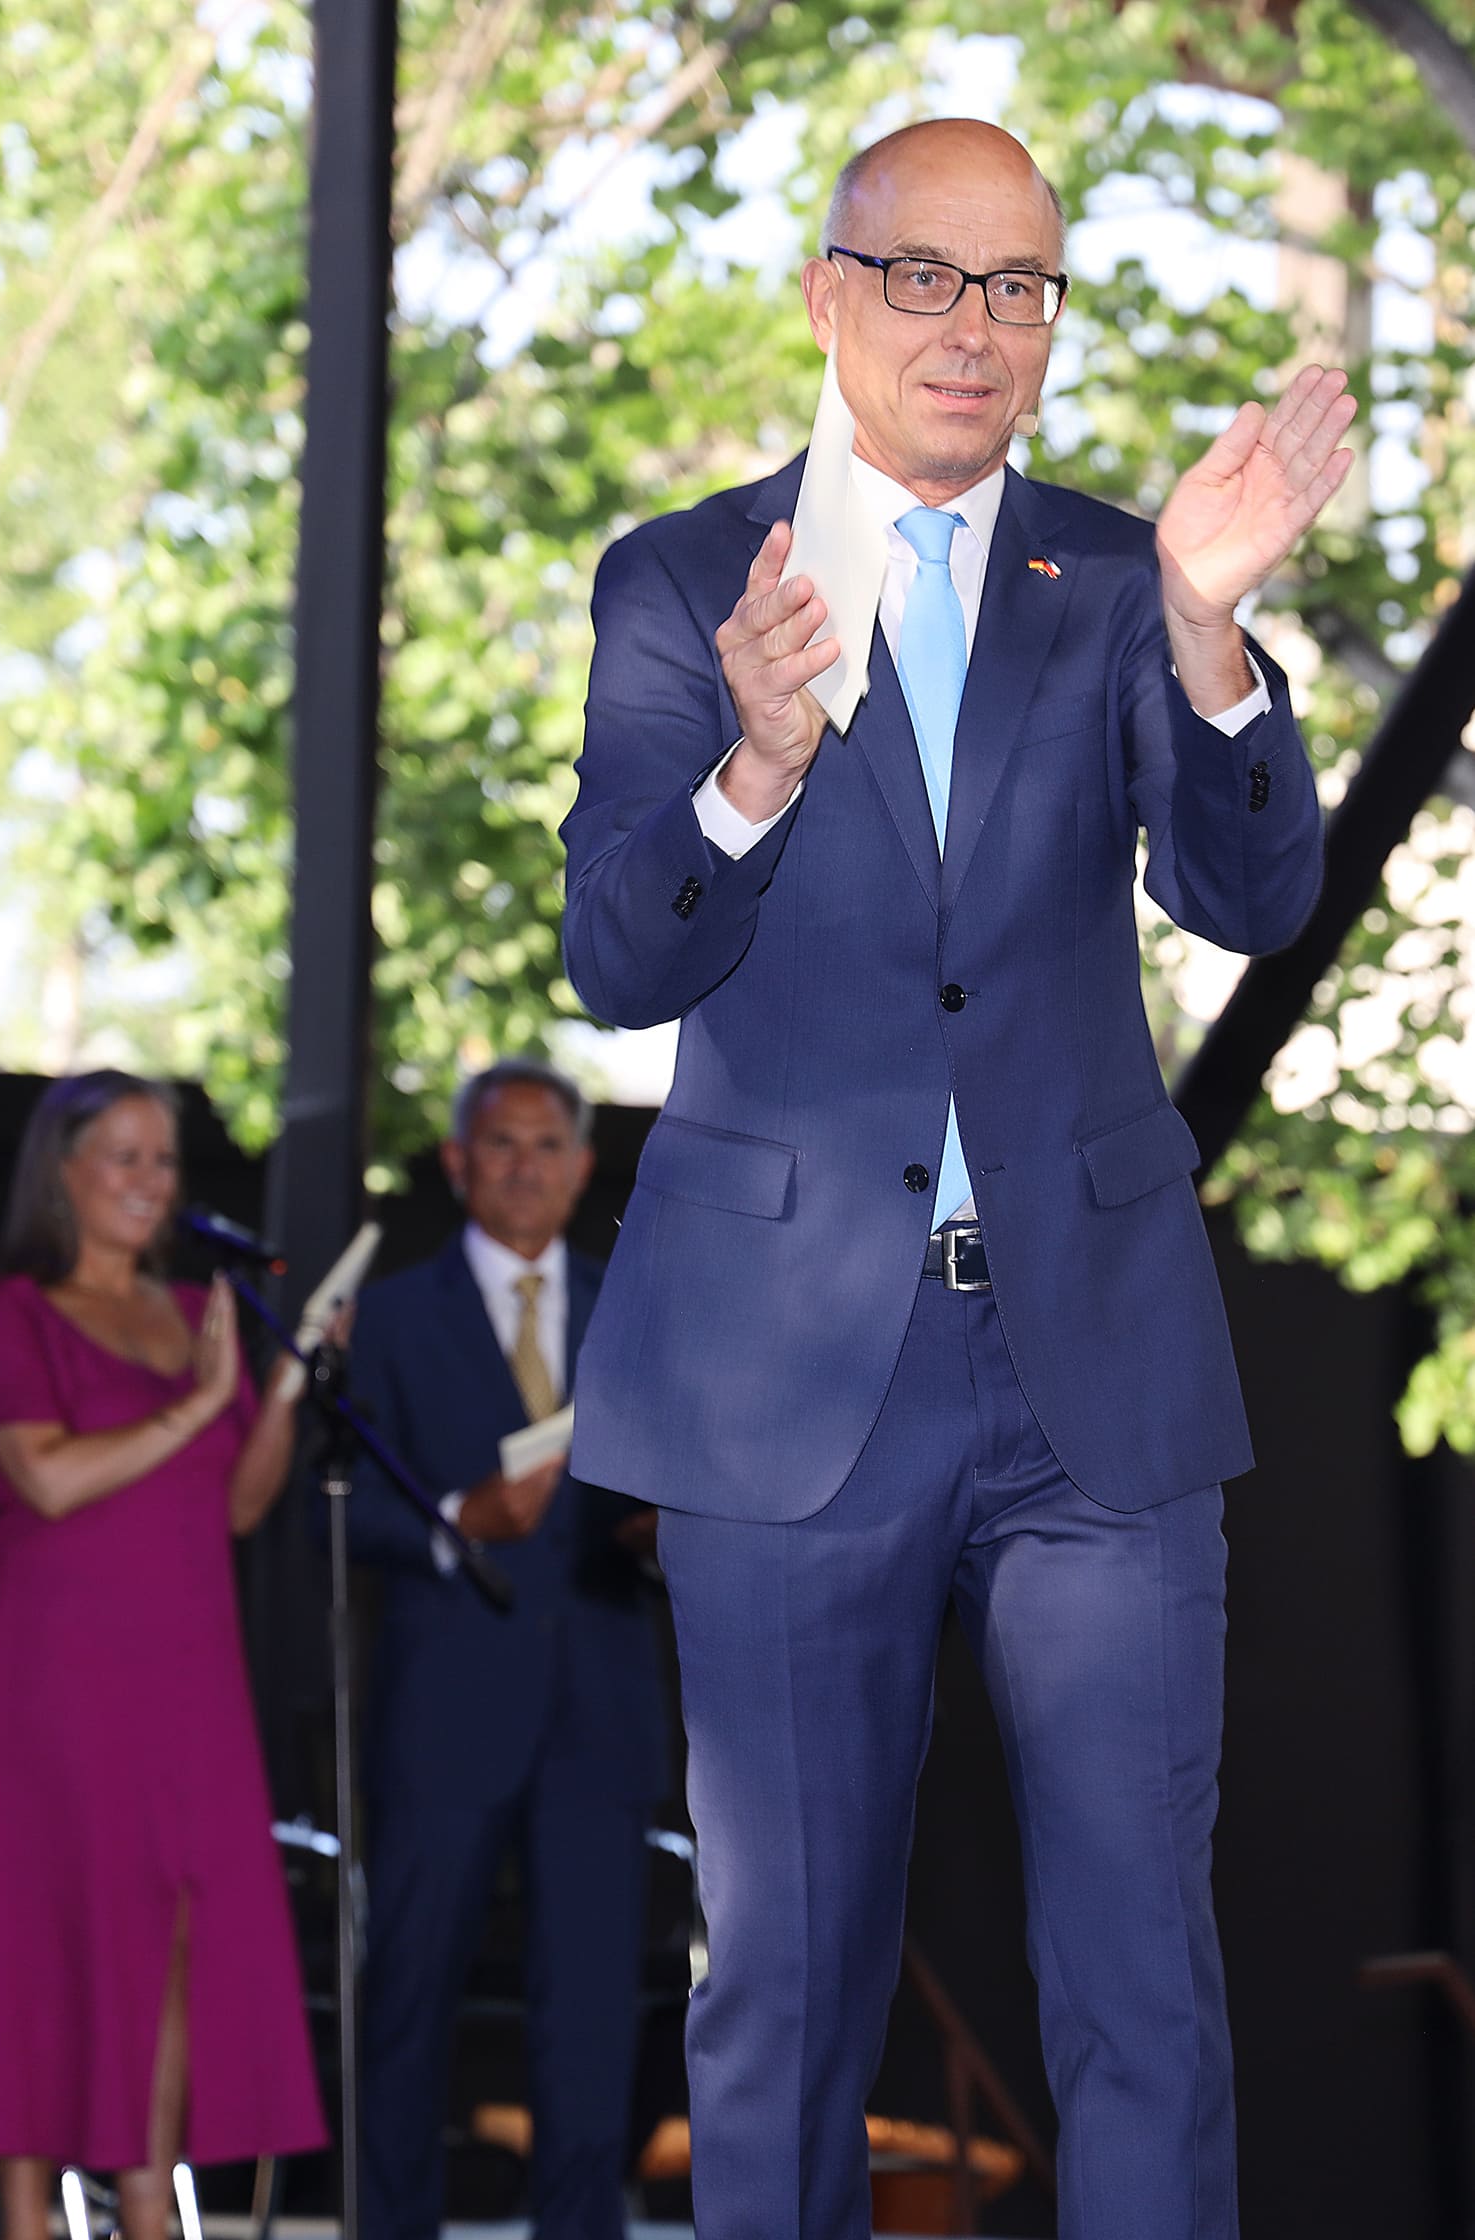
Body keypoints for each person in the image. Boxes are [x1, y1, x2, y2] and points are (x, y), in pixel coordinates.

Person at [559, 119, 1351, 2238]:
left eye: (1017, 286)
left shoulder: (1120, 577)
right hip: (778, 1384)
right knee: (785, 1991)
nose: (973, 327)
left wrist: (1207, 630)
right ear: (830, 295)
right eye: (925, 275)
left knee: (1141, 1982)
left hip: (1090, 1374)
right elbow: (615, 958)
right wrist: (750, 764)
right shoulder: (684, 582)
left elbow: (1252, 896)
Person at [0, 1070, 327, 2240]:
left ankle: (146, 2205)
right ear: (61, 1170)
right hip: (57, 1669)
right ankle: (27, 2217)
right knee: (43, 1924)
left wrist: (282, 1387)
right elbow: (47, 1477)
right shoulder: (9, 1313)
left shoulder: (196, 1312)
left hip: (188, 1670)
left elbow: (239, 1505)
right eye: (124, 1154)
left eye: (163, 1157)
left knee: (176, 1935)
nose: (152, 1179)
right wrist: (194, 1404)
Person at [343, 1059, 668, 2240]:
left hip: (599, 1711)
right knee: (407, 2000)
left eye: (547, 1145)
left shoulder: (636, 1306)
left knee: (588, 2014)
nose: (523, 1166)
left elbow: (670, 1484)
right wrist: (452, 1518)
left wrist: (664, 1531)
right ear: (456, 1161)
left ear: (581, 1167)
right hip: (444, 1708)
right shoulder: (385, 1315)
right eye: (500, 1142)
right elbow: (331, 1507)